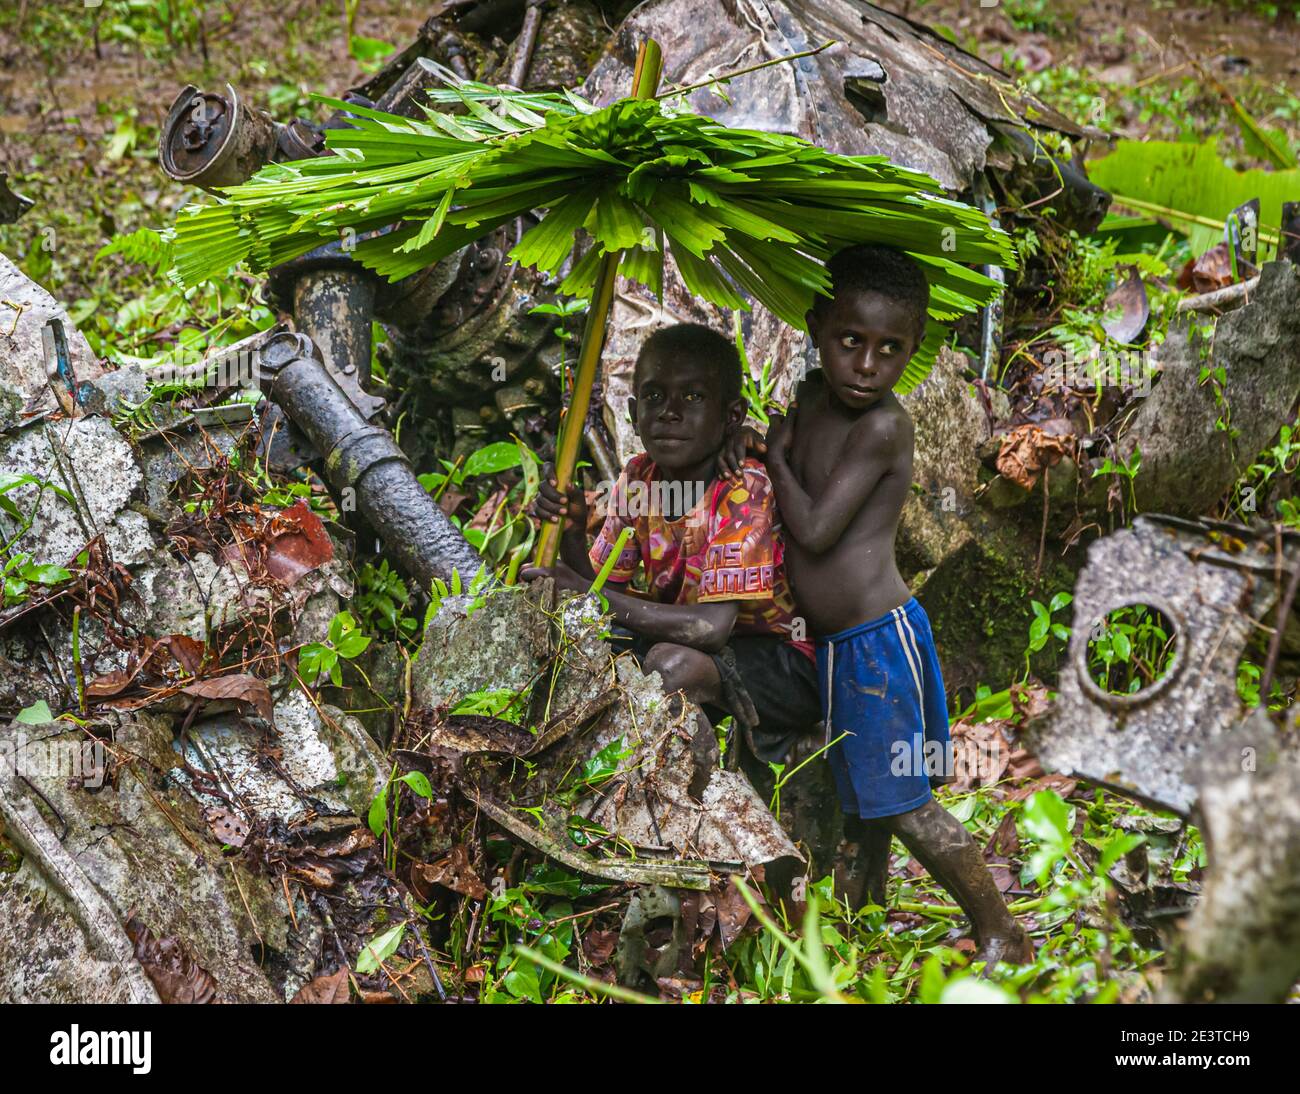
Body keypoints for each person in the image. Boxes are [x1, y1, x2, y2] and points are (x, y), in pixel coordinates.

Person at [762, 243, 1031, 966]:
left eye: (890, 350)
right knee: (864, 795)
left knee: (906, 804)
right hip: (840, 647)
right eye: (851, 341)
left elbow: (815, 530)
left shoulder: (885, 426)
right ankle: (866, 904)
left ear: (911, 356)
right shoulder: (810, 401)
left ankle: (1002, 929)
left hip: (879, 641)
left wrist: (775, 457)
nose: (867, 365)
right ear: (817, 327)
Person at [523, 323, 820, 797]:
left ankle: (691, 805)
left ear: (732, 417)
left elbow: (710, 629)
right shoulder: (640, 476)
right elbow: (605, 588)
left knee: (668, 664)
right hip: (702, 645)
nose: (670, 414)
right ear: (634, 411)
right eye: (655, 397)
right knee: (581, 644)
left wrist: (585, 594)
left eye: (694, 398)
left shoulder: (744, 488)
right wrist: (573, 535)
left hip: (780, 661)